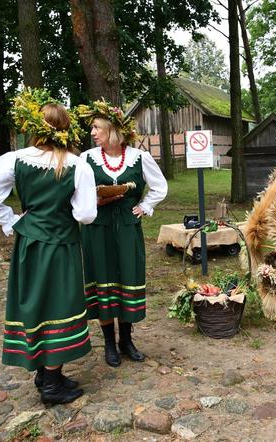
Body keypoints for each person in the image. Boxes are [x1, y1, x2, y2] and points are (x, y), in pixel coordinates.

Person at [0, 91, 97, 404]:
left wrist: (13, 220)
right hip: (61, 245)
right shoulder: (77, 165)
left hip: (29, 244)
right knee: (59, 306)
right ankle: (52, 386)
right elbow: (86, 213)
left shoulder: (14, 159)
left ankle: (45, 375)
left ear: (35, 127)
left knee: (36, 304)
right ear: (66, 128)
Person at [76, 100, 167, 367]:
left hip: (127, 229)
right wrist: (95, 201)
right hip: (97, 230)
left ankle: (126, 340)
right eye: (92, 128)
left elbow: (159, 187)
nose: (92, 133)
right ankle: (109, 343)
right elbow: (77, 194)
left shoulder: (139, 157)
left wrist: (145, 206)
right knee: (103, 280)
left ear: (112, 130)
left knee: (127, 278)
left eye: (96, 127)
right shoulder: (86, 159)